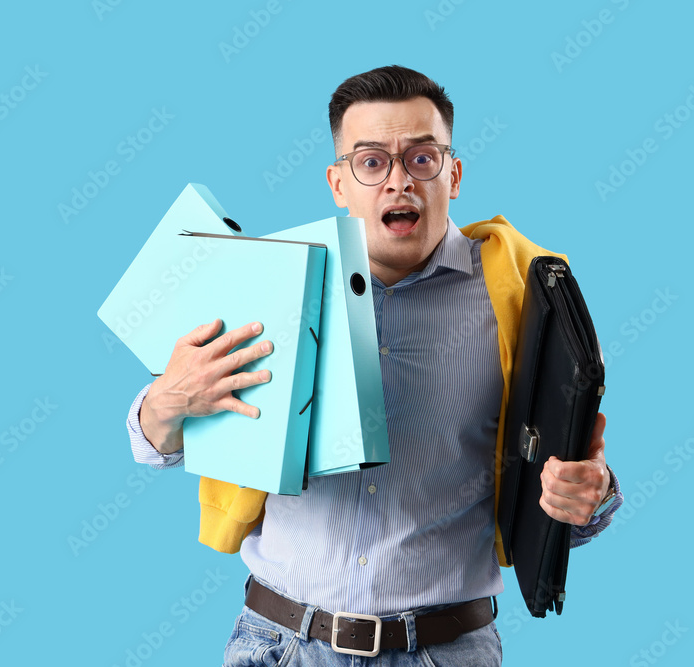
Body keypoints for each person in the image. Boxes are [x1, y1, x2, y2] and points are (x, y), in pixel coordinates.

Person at [126, 65, 623, 666]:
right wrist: (167, 402)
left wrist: (587, 496)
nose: (398, 182)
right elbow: (157, 443)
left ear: (454, 174)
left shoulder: (521, 298)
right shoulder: (267, 285)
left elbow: (568, 493)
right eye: (371, 162)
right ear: (339, 182)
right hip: (281, 646)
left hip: (447, 652)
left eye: (421, 159)